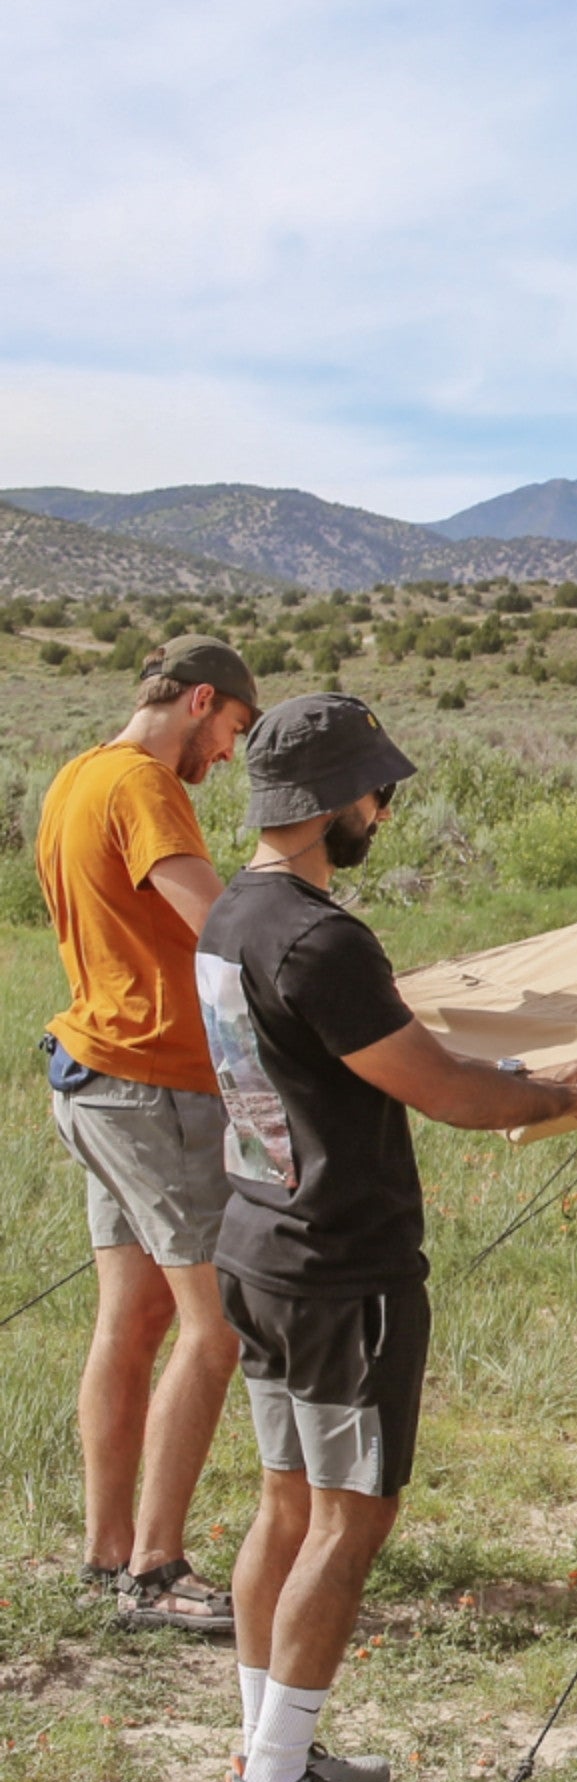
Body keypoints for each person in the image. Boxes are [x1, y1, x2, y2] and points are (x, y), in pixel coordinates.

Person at [196, 693, 577, 1782]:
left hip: (257, 1246)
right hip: (343, 1271)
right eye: (376, 792)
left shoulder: (232, 916)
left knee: (286, 1505)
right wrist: (560, 1103)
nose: (382, 811)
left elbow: (384, 1060)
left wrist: (513, 1067)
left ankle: (269, 1751)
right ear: (335, 801)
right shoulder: (323, 938)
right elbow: (441, 1094)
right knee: (351, 1518)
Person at [36, 636, 259, 1631]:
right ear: (200, 701)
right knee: (216, 1329)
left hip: (94, 1075)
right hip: (156, 1084)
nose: (228, 758)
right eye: (234, 731)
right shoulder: (144, 785)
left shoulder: (74, 777)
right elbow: (215, 921)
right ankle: (158, 1572)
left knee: (132, 1321)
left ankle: (105, 1557)